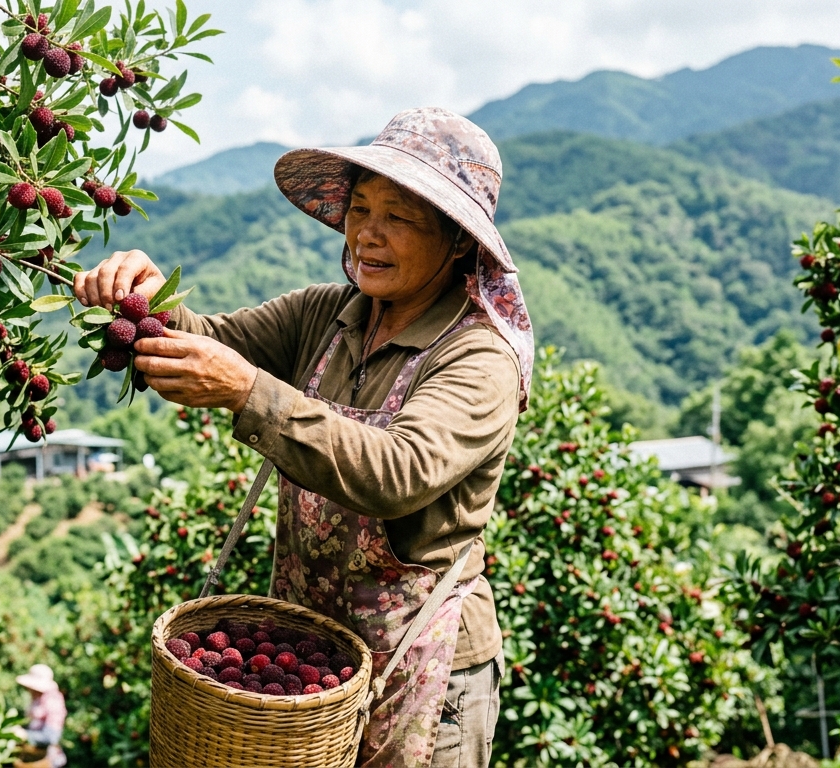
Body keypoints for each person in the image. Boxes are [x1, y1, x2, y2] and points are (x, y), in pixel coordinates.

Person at [74, 107, 533, 768]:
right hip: (314, 661)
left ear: (459, 241)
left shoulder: (476, 358)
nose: (368, 235)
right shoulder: (326, 313)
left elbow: (396, 474)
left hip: (427, 669)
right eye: (361, 209)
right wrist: (146, 299)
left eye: (399, 218)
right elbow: (207, 347)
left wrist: (246, 391)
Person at [15, 663, 66, 768]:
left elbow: (51, 737)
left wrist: (25, 734)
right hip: (33, 757)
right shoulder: (37, 701)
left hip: (48, 760)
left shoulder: (53, 701)